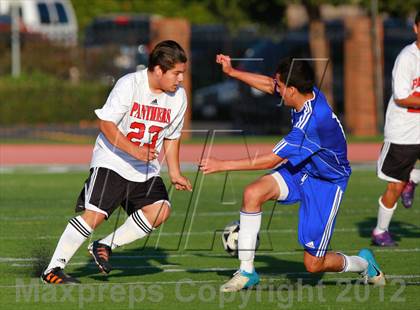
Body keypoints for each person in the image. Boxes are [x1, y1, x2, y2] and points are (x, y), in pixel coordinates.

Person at [200, 55, 385, 292]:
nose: (275, 87)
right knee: (253, 193)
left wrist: (222, 165)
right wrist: (233, 72)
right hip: (303, 169)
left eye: (280, 85)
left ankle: (363, 264)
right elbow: (269, 84)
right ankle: (247, 272)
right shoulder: (305, 93)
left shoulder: (312, 123)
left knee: (314, 265)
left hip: (326, 184)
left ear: (292, 90)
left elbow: (271, 159)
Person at [42, 40, 192, 284]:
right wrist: (134, 150)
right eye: (176, 73)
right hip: (112, 159)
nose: (180, 79)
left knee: (160, 210)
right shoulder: (129, 84)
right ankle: (52, 269)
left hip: (144, 167)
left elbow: (172, 137)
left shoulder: (178, 97)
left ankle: (104, 246)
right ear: (158, 70)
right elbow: (106, 124)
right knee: (95, 216)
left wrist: (175, 172)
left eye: (182, 74)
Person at [372, 12, 420, 247]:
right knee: (395, 185)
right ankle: (380, 231)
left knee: (403, 180)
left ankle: (413, 177)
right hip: (403, 131)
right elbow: (402, 98)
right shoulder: (407, 58)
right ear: (416, 29)